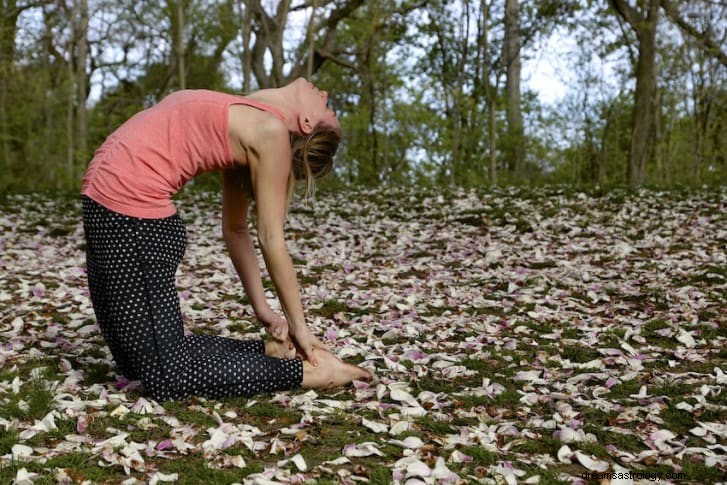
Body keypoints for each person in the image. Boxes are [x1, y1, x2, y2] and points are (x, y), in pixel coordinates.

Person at [81, 78, 370, 401]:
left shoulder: (270, 132)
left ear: (305, 123)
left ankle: (311, 372)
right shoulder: (246, 116)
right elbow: (235, 229)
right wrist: (264, 311)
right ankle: (272, 351)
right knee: (134, 363)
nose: (325, 93)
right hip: (107, 211)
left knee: (166, 378)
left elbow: (269, 235)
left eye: (327, 107)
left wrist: (299, 328)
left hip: (135, 225)